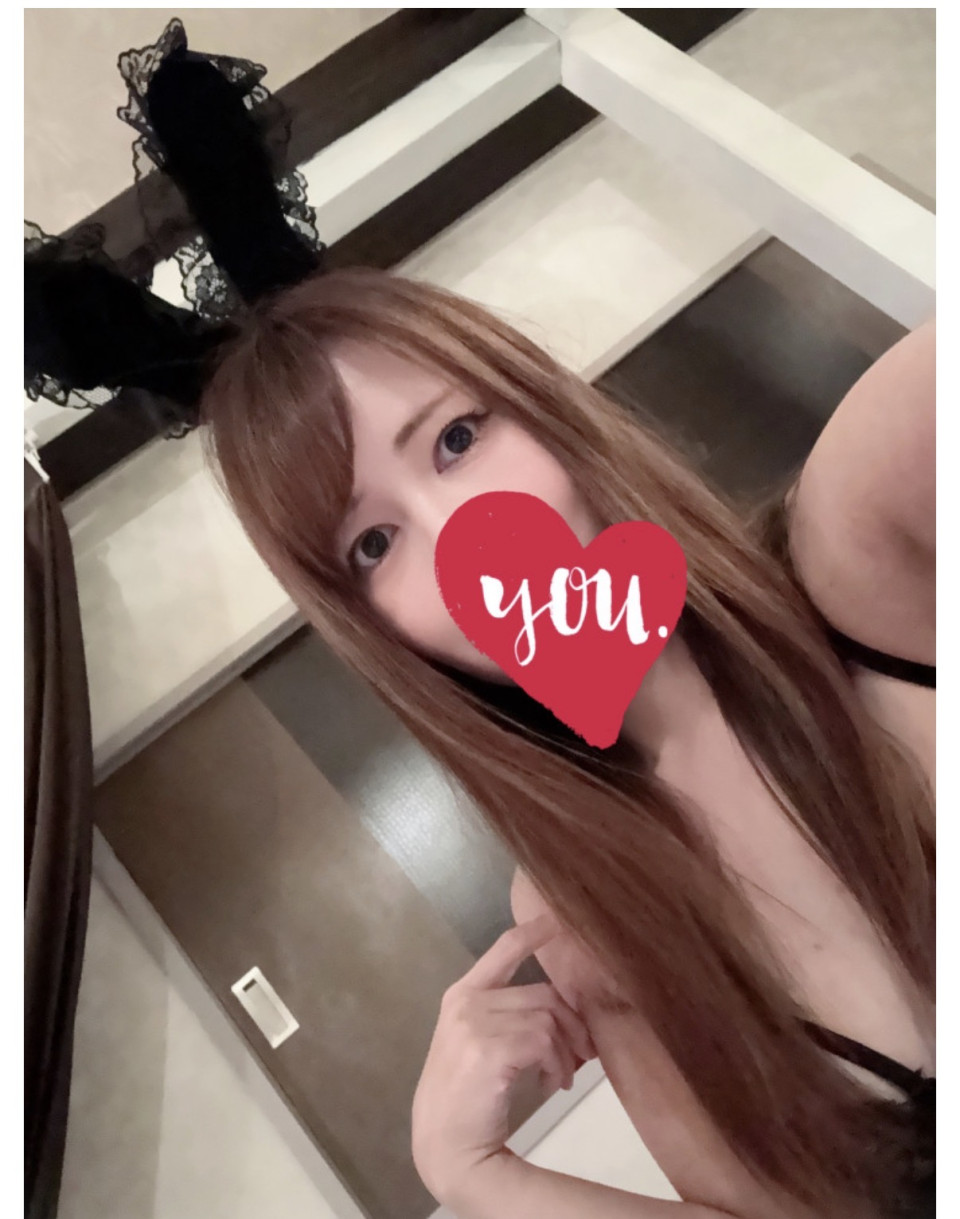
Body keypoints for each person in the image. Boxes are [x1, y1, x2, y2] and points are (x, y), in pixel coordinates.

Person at [198, 268, 935, 1219]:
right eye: (374, 544)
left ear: (540, 405)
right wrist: (473, 1172)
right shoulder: (574, 909)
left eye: (457, 439)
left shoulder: (851, 544)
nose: (462, 541)